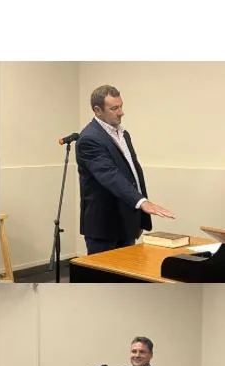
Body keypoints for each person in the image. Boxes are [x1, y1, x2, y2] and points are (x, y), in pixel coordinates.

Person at [75, 85, 175, 255]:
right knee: (103, 272)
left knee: (128, 270)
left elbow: (132, 174)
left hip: (127, 222)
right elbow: (110, 175)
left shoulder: (123, 134)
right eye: (114, 108)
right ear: (97, 110)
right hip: (104, 227)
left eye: (121, 106)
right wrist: (142, 202)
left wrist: (139, 217)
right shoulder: (89, 139)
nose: (121, 112)